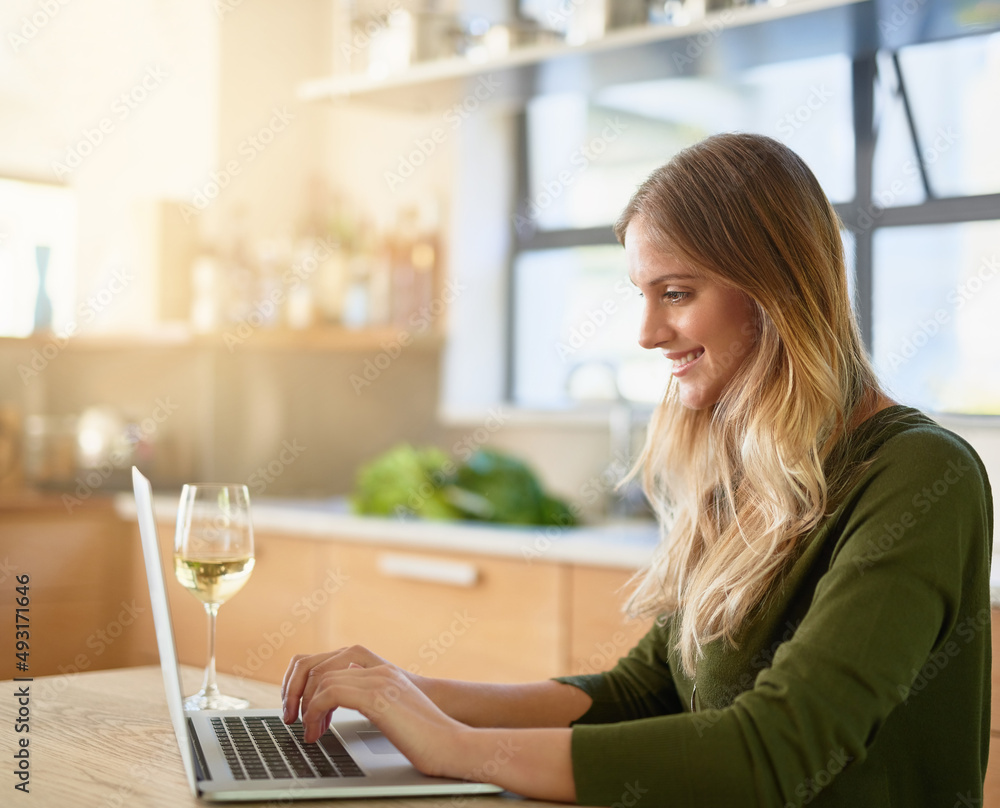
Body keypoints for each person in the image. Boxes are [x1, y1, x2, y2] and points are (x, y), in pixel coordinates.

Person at [281, 133, 993, 806]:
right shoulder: (750, 467)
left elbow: (777, 751)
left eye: (676, 293)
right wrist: (409, 691)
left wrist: (458, 748)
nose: (648, 333)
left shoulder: (920, 476)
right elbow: (643, 690)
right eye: (642, 294)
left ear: (776, 289)